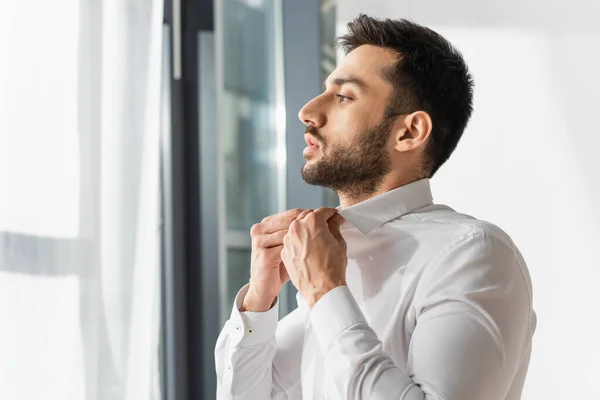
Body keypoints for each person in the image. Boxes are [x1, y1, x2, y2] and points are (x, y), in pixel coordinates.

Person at [215, 14, 536, 400]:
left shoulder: (474, 253)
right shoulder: (328, 255)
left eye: (344, 96)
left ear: (409, 132)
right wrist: (258, 304)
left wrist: (325, 289)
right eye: (324, 90)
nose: (308, 111)